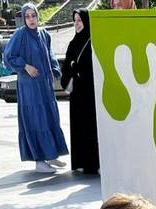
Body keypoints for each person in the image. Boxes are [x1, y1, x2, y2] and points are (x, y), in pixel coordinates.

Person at [3, 3, 68, 173]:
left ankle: (51, 154)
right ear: (23, 19)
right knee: (36, 119)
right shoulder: (20, 35)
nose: (31, 19)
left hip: (45, 85)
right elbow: (8, 56)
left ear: (38, 16)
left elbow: (50, 54)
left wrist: (54, 70)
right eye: (27, 16)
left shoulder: (44, 34)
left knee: (49, 117)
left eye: (34, 15)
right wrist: (25, 66)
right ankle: (39, 160)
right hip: (29, 87)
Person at [61, 10, 100, 175]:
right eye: (75, 21)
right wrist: (71, 69)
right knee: (78, 126)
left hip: (89, 93)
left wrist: (76, 68)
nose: (77, 24)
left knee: (90, 126)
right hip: (77, 93)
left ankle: (92, 163)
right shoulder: (73, 42)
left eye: (80, 21)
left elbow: (93, 66)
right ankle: (81, 161)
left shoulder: (93, 41)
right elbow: (66, 66)